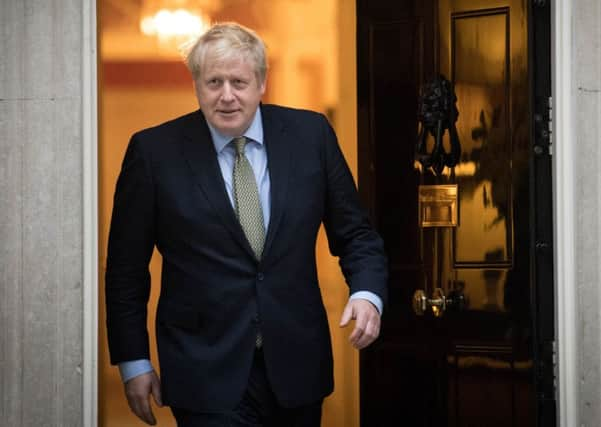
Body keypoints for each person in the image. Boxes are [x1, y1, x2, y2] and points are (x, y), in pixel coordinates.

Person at [105, 22, 388, 427]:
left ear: (262, 83)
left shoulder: (311, 136)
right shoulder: (153, 153)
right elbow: (125, 270)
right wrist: (133, 361)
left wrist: (366, 292)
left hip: (296, 366)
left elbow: (356, 233)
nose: (226, 96)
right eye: (213, 81)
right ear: (196, 84)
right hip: (202, 368)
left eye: (239, 81)